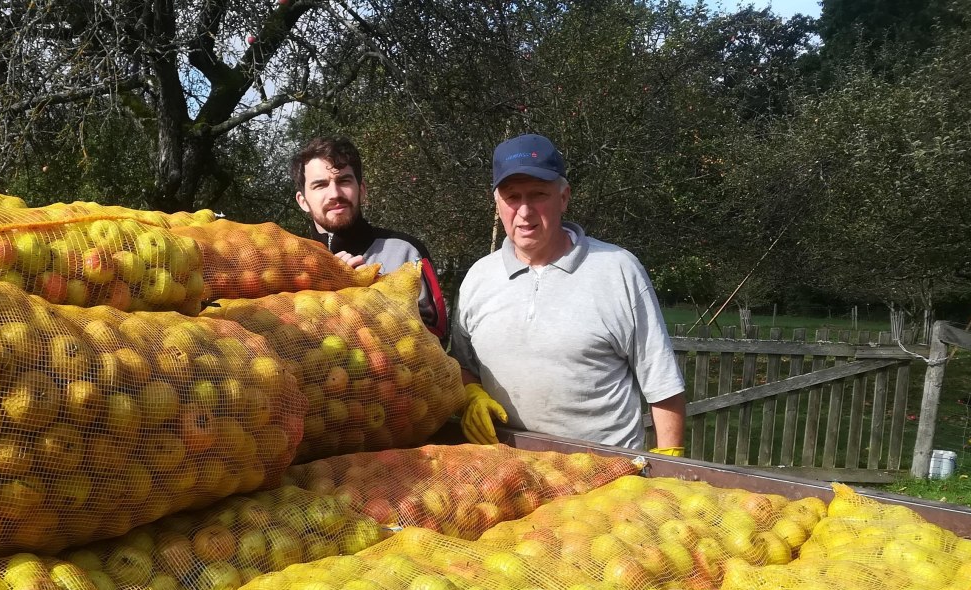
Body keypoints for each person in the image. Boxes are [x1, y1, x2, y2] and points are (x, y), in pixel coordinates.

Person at [451, 133, 687, 455]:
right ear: (497, 204)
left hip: (605, 478)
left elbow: (662, 384)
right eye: (512, 196)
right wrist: (472, 394)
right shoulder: (478, 278)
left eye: (538, 194)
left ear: (563, 197)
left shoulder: (618, 270)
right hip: (507, 475)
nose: (524, 211)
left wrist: (668, 462)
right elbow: (464, 366)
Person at [291, 136, 448, 341]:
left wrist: (367, 293)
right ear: (302, 201)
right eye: (320, 185)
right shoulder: (292, 264)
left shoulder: (406, 252)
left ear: (362, 190)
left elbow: (436, 334)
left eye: (344, 181)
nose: (335, 193)